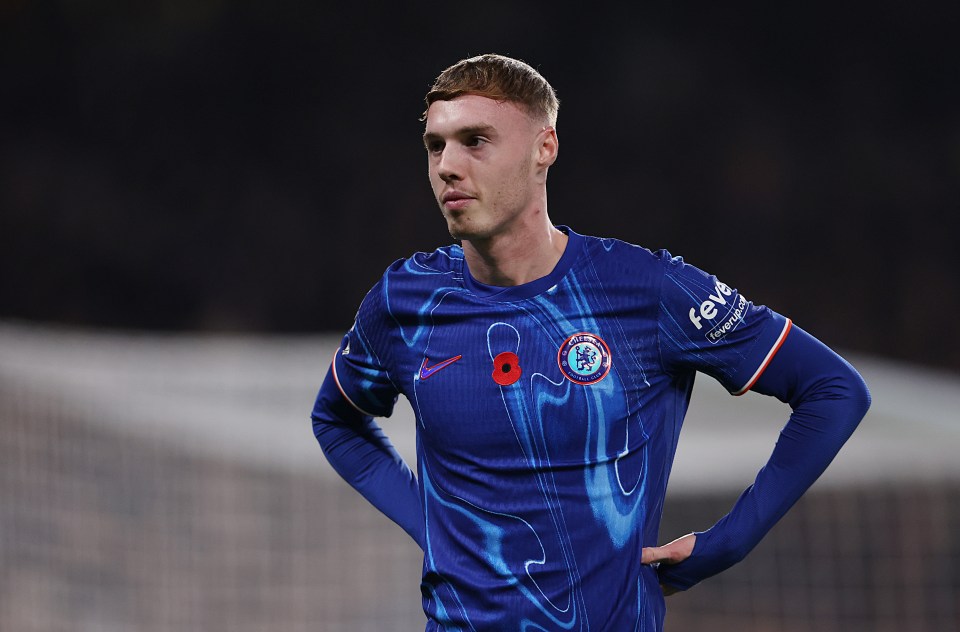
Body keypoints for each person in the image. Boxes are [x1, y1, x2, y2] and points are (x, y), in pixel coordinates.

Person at [311, 53, 871, 631]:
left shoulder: (646, 290)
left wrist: (728, 542)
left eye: (475, 140)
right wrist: (427, 520)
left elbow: (832, 389)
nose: (448, 166)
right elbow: (336, 420)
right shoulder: (406, 300)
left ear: (543, 148)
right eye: (435, 145)